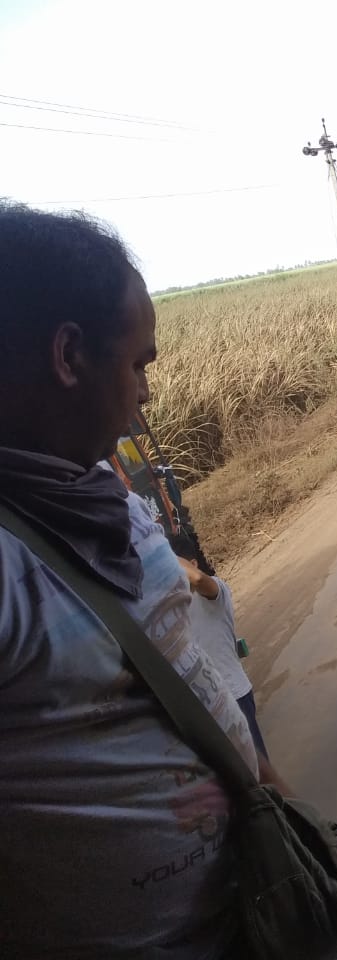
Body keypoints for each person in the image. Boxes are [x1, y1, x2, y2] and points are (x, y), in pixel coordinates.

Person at [0, 203, 264, 956]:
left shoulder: (103, 491)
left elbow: (183, 670)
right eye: (139, 361)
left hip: (243, 914)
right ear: (69, 355)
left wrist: (268, 793)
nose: (147, 391)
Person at [174, 543, 270, 759]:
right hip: (201, 711)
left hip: (234, 696)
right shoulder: (172, 610)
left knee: (258, 775)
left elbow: (198, 580)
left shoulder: (213, 594)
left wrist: (159, 553)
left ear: (192, 564)